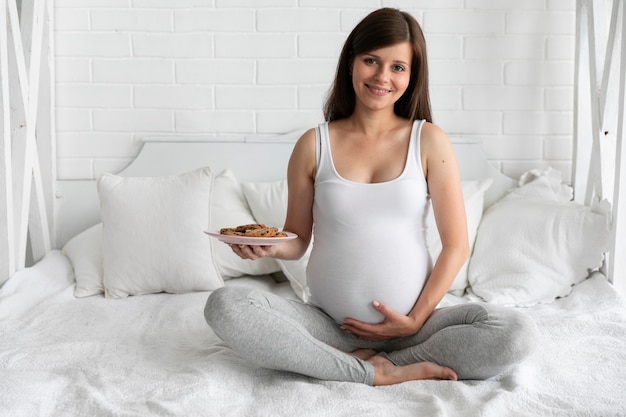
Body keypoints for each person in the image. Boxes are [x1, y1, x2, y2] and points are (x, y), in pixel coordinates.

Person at [205, 7, 537, 386]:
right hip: (329, 325)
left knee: (516, 331)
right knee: (225, 306)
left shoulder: (428, 141)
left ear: (412, 76)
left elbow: (456, 246)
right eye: (371, 61)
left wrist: (413, 320)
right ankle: (368, 371)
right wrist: (267, 248)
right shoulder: (313, 145)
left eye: (398, 67)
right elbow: (296, 241)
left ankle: (359, 364)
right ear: (351, 63)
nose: (382, 76)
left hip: (415, 328)